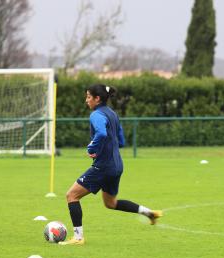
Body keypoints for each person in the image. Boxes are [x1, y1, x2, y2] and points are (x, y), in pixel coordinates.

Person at [59, 84, 162, 245]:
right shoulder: (113, 114)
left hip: (103, 167)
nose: (86, 100)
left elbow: (101, 133)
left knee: (71, 195)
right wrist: (105, 148)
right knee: (111, 203)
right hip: (117, 166)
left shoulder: (96, 115)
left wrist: (92, 148)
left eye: (88, 97)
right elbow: (120, 140)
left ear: (97, 98)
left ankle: (78, 238)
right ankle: (149, 213)